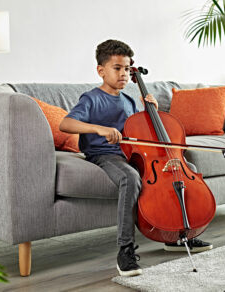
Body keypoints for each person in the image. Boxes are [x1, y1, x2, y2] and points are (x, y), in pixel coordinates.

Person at [59, 39, 212, 277]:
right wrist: (98, 129)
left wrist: (152, 111)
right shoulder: (91, 98)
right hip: (106, 156)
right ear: (101, 71)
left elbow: (139, 133)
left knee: (186, 169)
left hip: (134, 155)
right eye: (117, 68)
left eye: (127, 69)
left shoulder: (130, 100)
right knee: (130, 177)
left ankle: (178, 234)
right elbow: (65, 123)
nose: (123, 74)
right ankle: (125, 250)